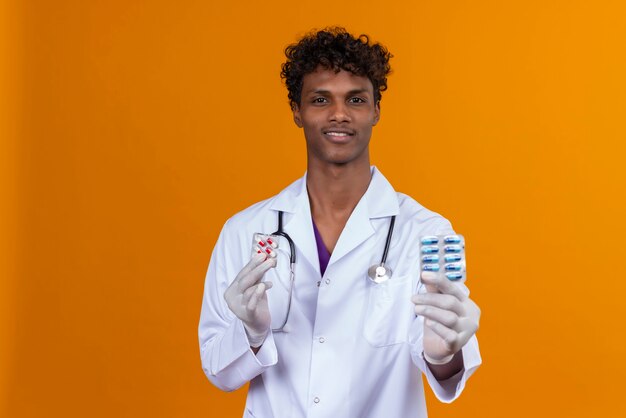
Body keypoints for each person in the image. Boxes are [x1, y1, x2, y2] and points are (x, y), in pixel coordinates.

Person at [198, 27, 481, 418]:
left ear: (376, 110)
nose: (339, 114)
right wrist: (251, 334)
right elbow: (217, 370)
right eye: (320, 99)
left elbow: (445, 363)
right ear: (297, 111)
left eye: (356, 99)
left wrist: (443, 352)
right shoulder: (245, 231)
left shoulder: (424, 232)